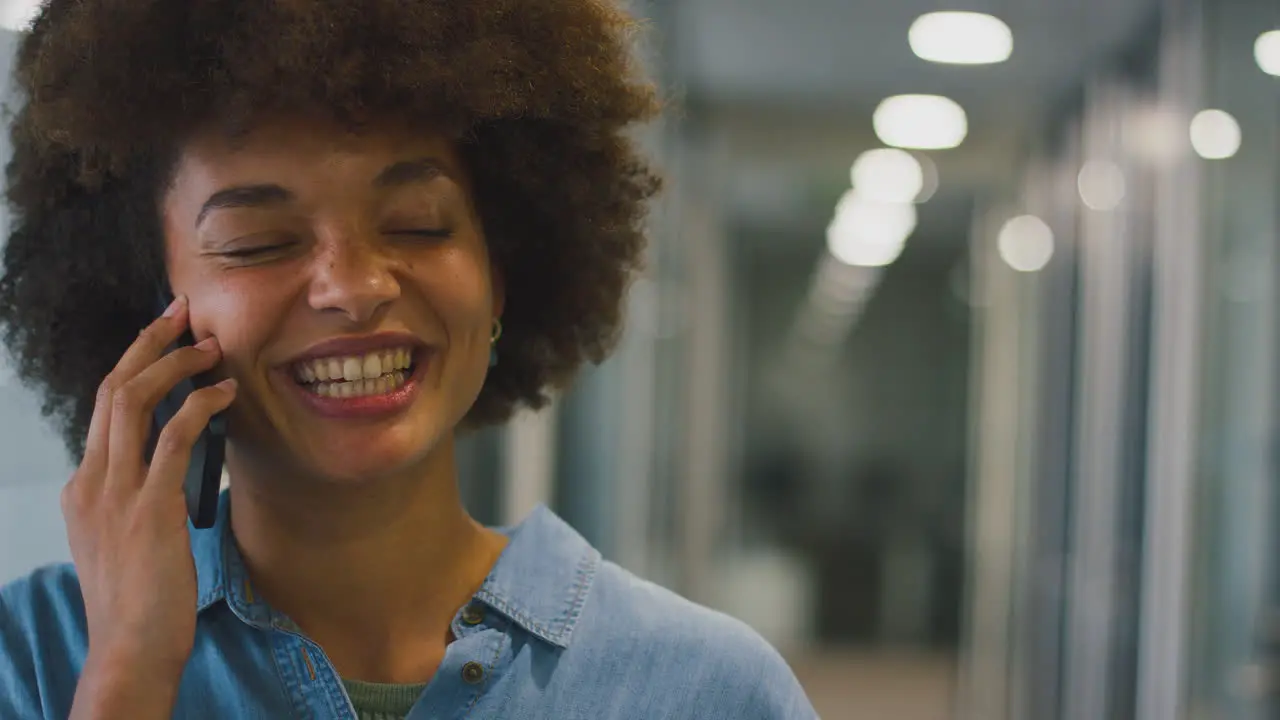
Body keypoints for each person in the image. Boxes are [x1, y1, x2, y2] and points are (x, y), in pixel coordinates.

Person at [0, 1, 818, 718]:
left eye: (419, 224)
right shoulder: (32, 662)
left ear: (500, 275)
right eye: (260, 243)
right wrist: (126, 678)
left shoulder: (708, 692)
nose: (352, 289)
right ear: (149, 310)